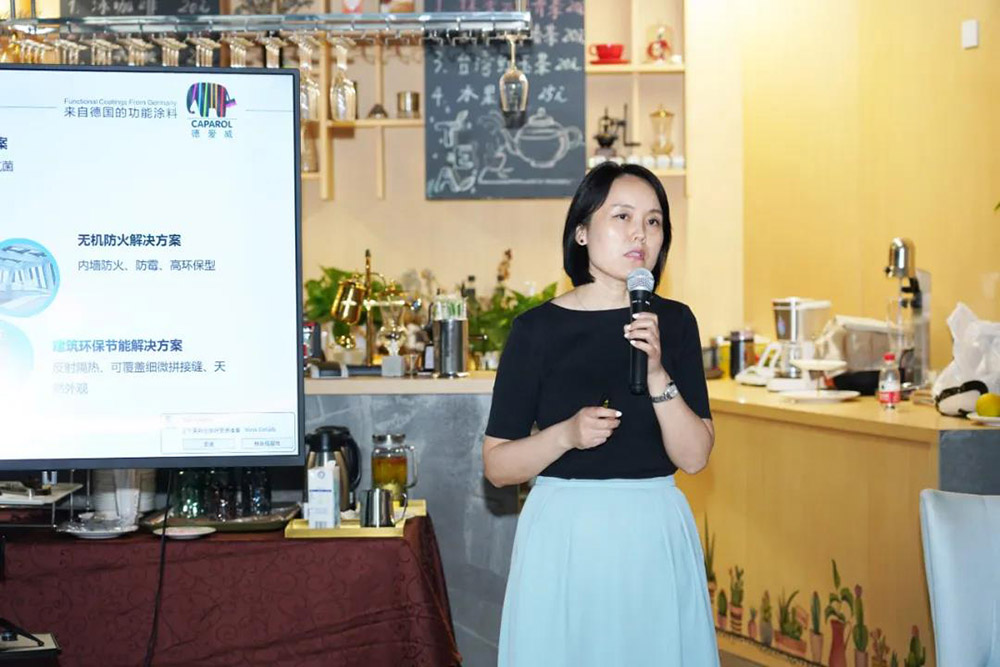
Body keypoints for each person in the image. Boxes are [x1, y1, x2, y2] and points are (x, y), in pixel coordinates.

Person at [483, 162, 719, 666]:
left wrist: (657, 374)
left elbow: (695, 457)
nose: (640, 233)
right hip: (565, 534)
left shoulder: (674, 322)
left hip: (653, 530)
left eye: (653, 221)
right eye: (622, 216)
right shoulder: (536, 330)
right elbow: (498, 466)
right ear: (582, 232)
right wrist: (565, 435)